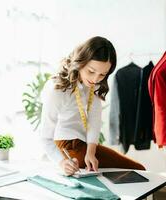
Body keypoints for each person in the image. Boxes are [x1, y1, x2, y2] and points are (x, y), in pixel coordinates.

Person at [40, 36, 145, 176]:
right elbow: (45, 138)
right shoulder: (57, 89)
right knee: (138, 170)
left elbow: (94, 121)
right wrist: (61, 162)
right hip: (65, 146)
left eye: (103, 74)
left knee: (137, 170)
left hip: (83, 144)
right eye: (91, 71)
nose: (96, 79)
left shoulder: (93, 85)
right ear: (81, 62)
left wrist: (91, 152)